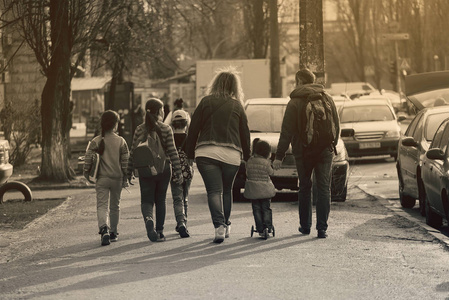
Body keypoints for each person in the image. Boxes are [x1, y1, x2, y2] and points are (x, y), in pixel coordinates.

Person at [184, 68, 251, 243]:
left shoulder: (205, 102)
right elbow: (245, 133)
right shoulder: (237, 105)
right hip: (231, 154)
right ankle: (226, 224)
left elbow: (193, 129)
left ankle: (219, 226)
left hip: (206, 153)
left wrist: (189, 153)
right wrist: (248, 156)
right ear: (235, 86)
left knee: (214, 191)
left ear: (216, 83)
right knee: (227, 190)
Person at [273, 68, 340, 239]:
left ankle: (305, 226)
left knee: (304, 187)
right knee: (324, 188)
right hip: (325, 150)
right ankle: (322, 228)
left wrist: (279, 156)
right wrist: (332, 144)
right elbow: (337, 125)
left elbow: (286, 131)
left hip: (303, 151)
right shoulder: (327, 97)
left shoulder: (294, 102)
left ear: (299, 81)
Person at [127, 98, 183, 242]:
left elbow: (133, 152)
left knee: (146, 200)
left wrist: (128, 173)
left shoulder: (140, 129)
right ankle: (159, 231)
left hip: (145, 170)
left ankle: (148, 219)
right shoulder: (166, 129)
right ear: (159, 112)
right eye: (163, 109)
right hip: (163, 169)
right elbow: (172, 152)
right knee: (161, 200)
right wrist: (178, 171)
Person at [83, 110, 130, 246]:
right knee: (115, 206)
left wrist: (87, 174)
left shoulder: (96, 141)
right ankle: (114, 232)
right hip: (117, 179)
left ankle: (104, 229)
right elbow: (125, 162)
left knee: (102, 205)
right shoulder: (121, 141)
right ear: (115, 125)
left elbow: (87, 161)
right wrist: (126, 177)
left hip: (102, 179)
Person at [168, 110, 193, 238]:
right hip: (187, 171)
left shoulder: (169, 137)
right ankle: (184, 223)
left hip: (174, 171)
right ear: (186, 123)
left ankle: (180, 222)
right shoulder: (190, 138)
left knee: (177, 198)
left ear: (173, 124)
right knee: (185, 197)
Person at [244, 138, 275, 238]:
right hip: (265, 189)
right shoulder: (266, 163)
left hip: (253, 190)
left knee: (256, 209)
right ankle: (268, 227)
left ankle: (260, 229)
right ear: (267, 152)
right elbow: (271, 172)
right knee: (266, 209)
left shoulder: (250, 161)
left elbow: (247, 172)